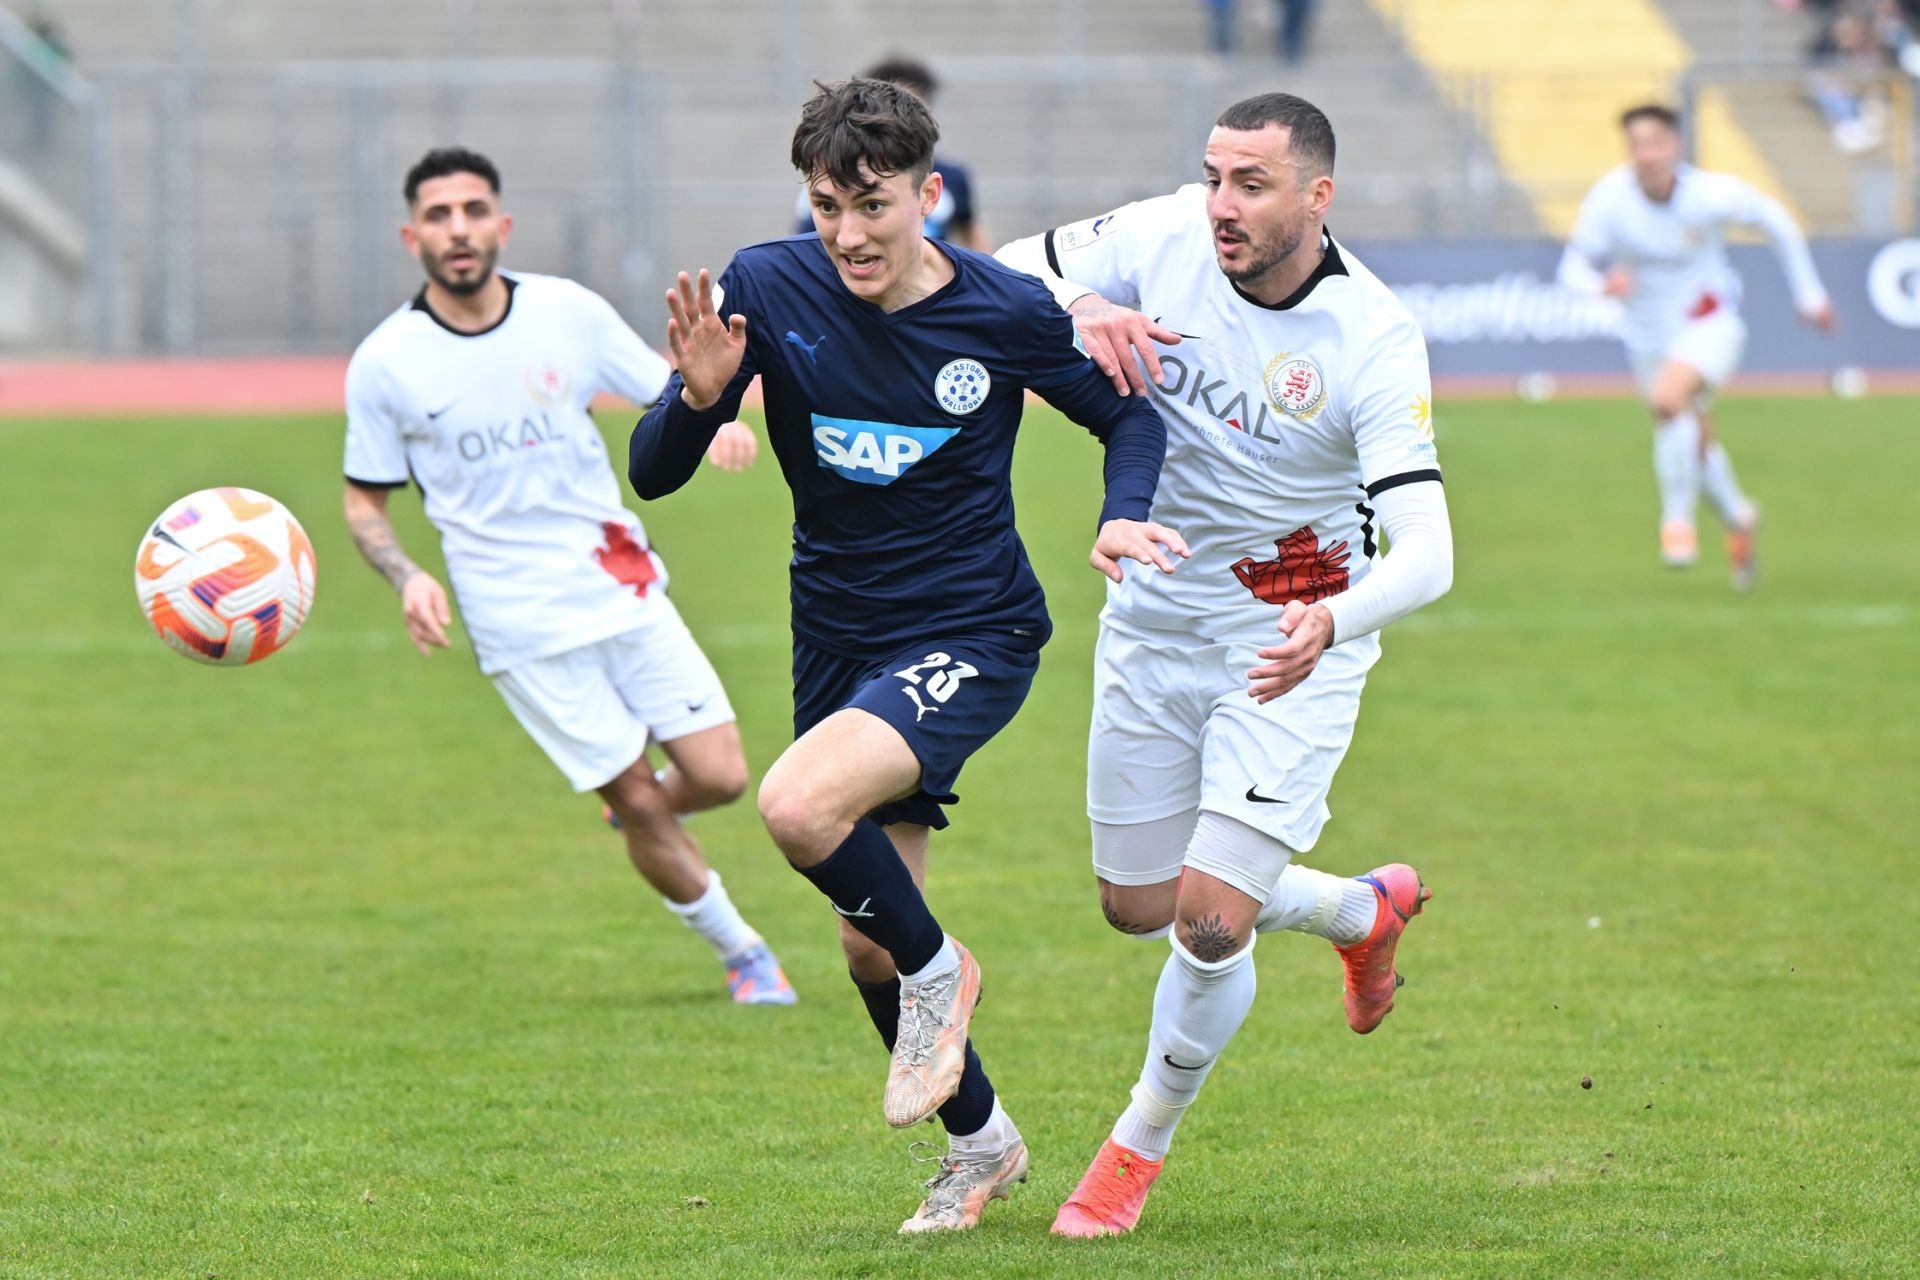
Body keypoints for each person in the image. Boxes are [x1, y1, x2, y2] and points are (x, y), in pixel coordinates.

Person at [629, 78, 1183, 1232]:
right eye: (826, 206)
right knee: (864, 945)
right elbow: (654, 469)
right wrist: (696, 397)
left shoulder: (1003, 309)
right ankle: (982, 1144)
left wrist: (1121, 512)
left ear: (928, 196)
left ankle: (945, 972)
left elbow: (1129, 415)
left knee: (796, 806)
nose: (846, 233)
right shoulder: (768, 284)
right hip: (837, 639)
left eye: (871, 205)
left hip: (973, 629)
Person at [995, 91, 1454, 1236]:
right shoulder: (1163, 234)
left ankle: (1131, 1152)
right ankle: (1357, 910)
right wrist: (1083, 301)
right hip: (1152, 622)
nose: (1221, 204)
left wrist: (1335, 621)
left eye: (1251, 183)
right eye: (1214, 176)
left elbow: (1429, 552)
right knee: (1135, 904)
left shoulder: (1372, 335)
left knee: (1206, 920)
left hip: (1289, 640)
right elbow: (1002, 267)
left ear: (1318, 196)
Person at [341, 147, 795, 1007]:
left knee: (721, 775)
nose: (458, 229)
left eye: (473, 210)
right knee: (638, 797)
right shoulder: (386, 361)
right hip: (516, 619)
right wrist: (405, 575)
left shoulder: (567, 313)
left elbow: (671, 389)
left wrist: (714, 416)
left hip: (617, 579)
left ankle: (639, 814)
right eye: (438, 215)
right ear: (412, 237)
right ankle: (741, 951)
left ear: (502, 225)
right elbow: (364, 501)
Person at [1557, 104, 1834, 589]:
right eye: (1637, 145)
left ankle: (1677, 522)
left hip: (1710, 324)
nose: (1647, 154)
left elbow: (1776, 221)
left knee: (1668, 401)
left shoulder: (1709, 194)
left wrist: (1809, 294)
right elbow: (1571, 269)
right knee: (1691, 436)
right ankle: (1739, 516)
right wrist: (1600, 286)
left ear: (1674, 146)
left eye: (1655, 143)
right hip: (1646, 336)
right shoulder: (1609, 201)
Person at [788, 57, 987, 251]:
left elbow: (971, 228)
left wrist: (985, 267)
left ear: (930, 193)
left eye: (873, 205)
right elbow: (802, 243)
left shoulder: (954, 176)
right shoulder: (829, 179)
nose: (899, 119)